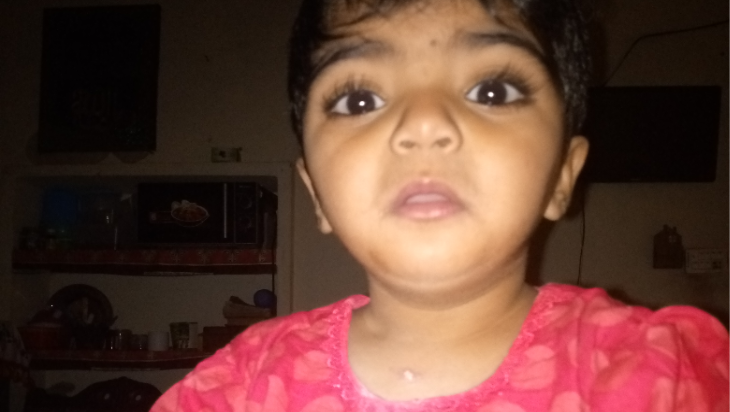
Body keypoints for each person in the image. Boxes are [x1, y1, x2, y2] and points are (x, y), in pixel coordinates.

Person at [151, 0, 730, 410]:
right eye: (359, 99)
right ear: (315, 192)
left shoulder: (662, 375)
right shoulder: (237, 389)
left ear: (562, 175)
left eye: (492, 90)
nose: (424, 123)